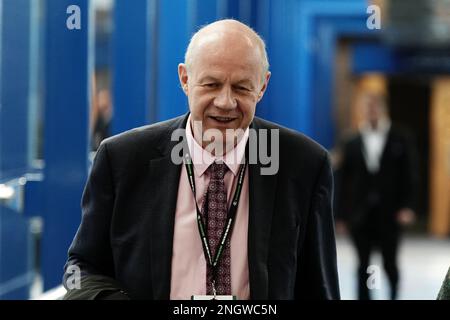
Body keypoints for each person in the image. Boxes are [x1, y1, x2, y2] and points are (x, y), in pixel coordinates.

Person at [63, 19, 340, 300]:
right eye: (212, 84)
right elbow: (80, 271)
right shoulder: (122, 160)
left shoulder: (303, 165)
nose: (225, 102)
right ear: (185, 79)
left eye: (242, 88)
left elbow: (321, 288)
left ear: (262, 86)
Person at [335, 91, 418, 300]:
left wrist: (408, 206)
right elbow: (343, 181)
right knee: (364, 263)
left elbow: (410, 175)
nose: (371, 111)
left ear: (383, 109)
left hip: (390, 213)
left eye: (374, 107)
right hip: (360, 215)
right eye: (367, 107)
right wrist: (341, 215)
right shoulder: (351, 141)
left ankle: (393, 295)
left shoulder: (401, 137)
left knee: (390, 262)